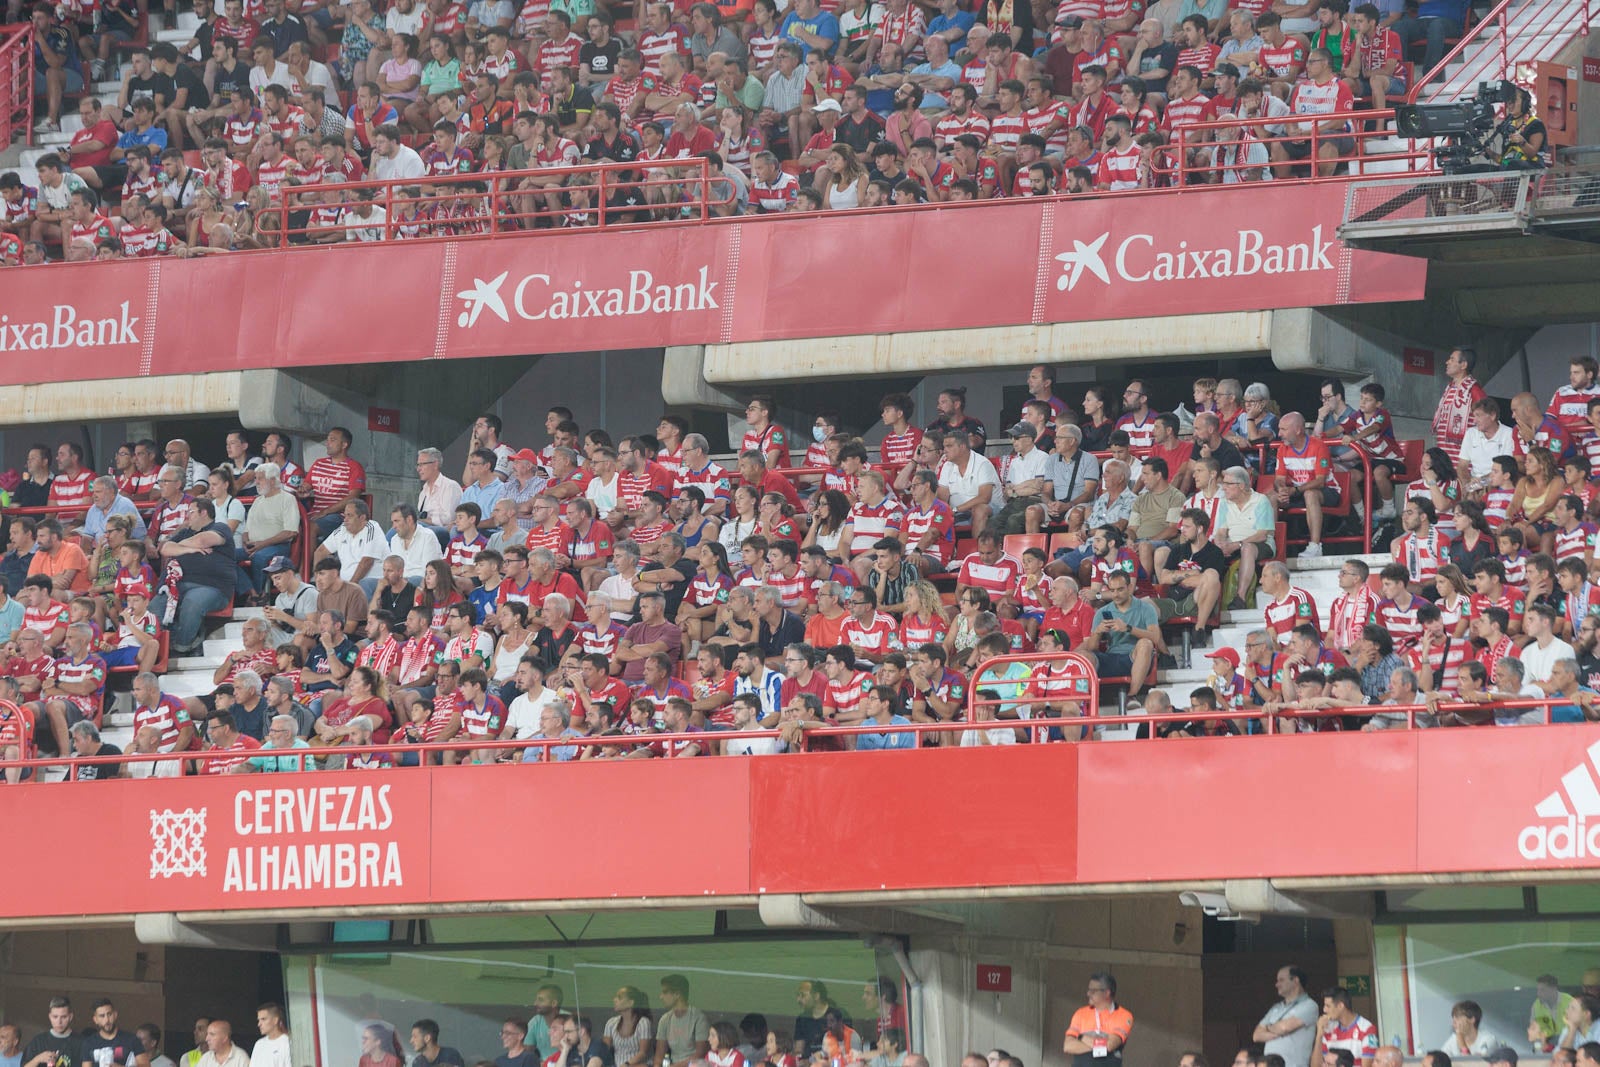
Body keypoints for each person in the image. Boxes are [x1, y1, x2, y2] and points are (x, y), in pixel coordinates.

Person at [1255, 966, 1320, 1067]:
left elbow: (1284, 1028)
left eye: (1281, 980)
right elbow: (1256, 1036)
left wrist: (1268, 1027)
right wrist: (1277, 1030)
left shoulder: (1309, 1005)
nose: (1277, 984)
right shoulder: (1275, 1008)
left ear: (1295, 980)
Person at [1062, 973, 1132, 1067]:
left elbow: (1109, 1045)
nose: (1088, 994)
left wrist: (1081, 1038)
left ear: (1107, 993)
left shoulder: (1123, 1015)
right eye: (1089, 990)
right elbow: (1068, 1046)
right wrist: (1100, 1046)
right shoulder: (1080, 1013)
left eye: (1093, 991)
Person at [655, 975, 710, 1067]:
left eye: (665, 992)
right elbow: (659, 1055)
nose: (661, 996)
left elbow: (700, 1054)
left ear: (677, 994)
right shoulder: (664, 1019)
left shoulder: (698, 1018)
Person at [1319, 988, 1377, 1067]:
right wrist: (1319, 1034)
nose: (1324, 1010)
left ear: (1340, 1006)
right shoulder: (1328, 1028)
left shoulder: (1367, 1028)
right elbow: (1318, 1064)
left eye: (1328, 1006)